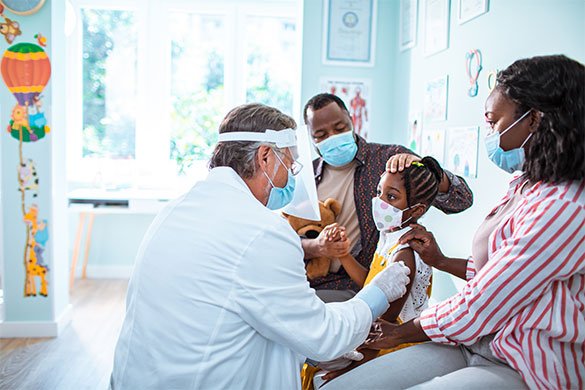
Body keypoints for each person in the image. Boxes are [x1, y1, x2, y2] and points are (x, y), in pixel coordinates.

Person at [320, 55, 585, 389]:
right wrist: (442, 261)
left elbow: (487, 299)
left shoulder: (565, 206)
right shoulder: (524, 184)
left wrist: (401, 332)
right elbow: (496, 271)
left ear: (534, 120)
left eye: (493, 122)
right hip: (475, 338)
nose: (489, 133)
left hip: (524, 359)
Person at [109, 103, 412, 389]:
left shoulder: (175, 210)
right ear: (265, 157)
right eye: (290, 166)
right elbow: (324, 336)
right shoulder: (262, 232)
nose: (290, 180)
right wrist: (378, 292)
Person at [302, 93, 474, 302]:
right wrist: (318, 246)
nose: (333, 137)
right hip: (312, 282)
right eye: (321, 135)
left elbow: (461, 199)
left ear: (351, 119)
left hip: (364, 286)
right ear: (310, 138)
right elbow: (290, 239)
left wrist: (425, 166)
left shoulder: (390, 161)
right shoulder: (307, 178)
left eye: (339, 128)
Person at [309, 156, 444, 388]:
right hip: (375, 331)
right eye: (379, 191)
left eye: (391, 197)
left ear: (418, 209)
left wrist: (352, 368)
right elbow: (371, 284)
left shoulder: (406, 253)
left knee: (322, 377)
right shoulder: (390, 234)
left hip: (393, 342)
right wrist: (344, 255)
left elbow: (385, 326)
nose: (379, 201)